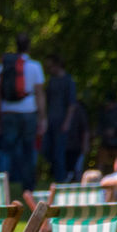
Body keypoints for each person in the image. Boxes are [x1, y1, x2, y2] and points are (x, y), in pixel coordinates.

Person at [0, 33, 46, 198]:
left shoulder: (3, 66)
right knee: (29, 149)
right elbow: (39, 93)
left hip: (8, 112)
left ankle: (2, 189)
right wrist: (42, 117)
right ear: (28, 46)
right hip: (29, 112)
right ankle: (28, 189)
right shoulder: (35, 66)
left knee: (6, 151)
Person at [43, 54, 77, 182]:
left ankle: (61, 179)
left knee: (59, 152)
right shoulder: (51, 81)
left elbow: (71, 104)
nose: (49, 69)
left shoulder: (68, 81)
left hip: (61, 121)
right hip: (50, 121)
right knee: (47, 150)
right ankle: (57, 175)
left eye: (51, 66)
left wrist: (67, 122)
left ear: (57, 65)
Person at [96, 93, 117, 171]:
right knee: (101, 160)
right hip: (105, 142)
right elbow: (99, 127)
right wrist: (104, 132)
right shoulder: (102, 112)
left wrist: (116, 132)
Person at [65, 99, 90, 181]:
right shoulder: (61, 107)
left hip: (76, 146)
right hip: (65, 146)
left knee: (76, 169)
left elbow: (85, 129)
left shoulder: (79, 110)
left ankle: (76, 182)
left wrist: (85, 144)